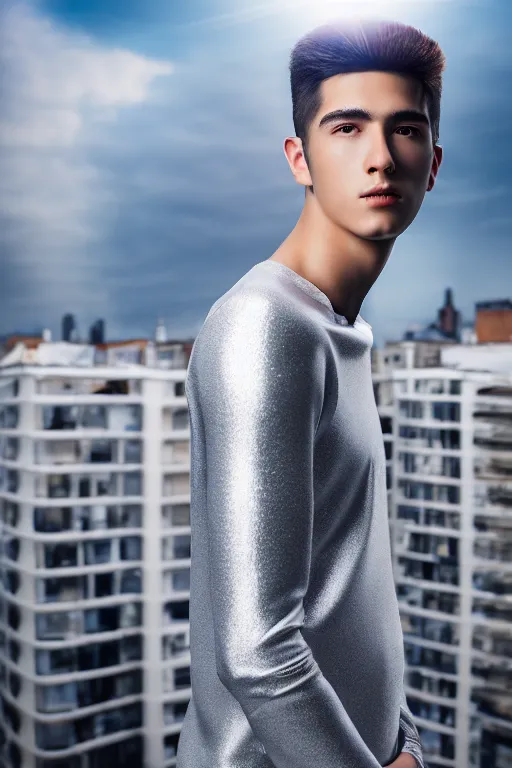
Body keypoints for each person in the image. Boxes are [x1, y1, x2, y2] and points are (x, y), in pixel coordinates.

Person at [177, 17, 444, 768]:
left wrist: (405, 741)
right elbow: (257, 655)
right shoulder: (266, 327)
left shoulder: (342, 331)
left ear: (434, 160)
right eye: (347, 128)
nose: (380, 158)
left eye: (406, 129)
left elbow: (352, 588)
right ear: (300, 157)